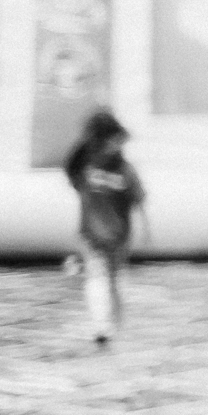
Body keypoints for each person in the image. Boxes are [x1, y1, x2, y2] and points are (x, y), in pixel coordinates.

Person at [61, 108, 148, 346]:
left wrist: (145, 230)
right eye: (113, 141)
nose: (118, 146)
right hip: (91, 236)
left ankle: (116, 325)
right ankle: (102, 327)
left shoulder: (125, 170)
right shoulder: (87, 167)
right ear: (100, 141)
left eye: (120, 141)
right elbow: (72, 173)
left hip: (119, 238)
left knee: (116, 282)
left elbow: (139, 199)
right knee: (97, 277)